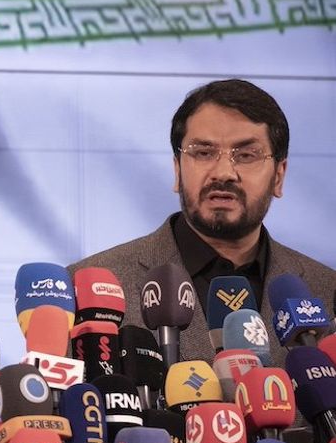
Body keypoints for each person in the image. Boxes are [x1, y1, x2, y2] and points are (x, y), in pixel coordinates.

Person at [69, 78, 336, 371]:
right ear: (177, 169)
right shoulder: (88, 290)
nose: (223, 173)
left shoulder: (326, 290)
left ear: (279, 176)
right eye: (203, 153)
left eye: (246, 155)